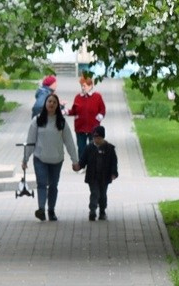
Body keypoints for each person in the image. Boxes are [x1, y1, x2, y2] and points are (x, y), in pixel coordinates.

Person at [23, 91, 80, 221]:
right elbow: (30, 141)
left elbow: (69, 142)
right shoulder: (37, 120)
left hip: (56, 159)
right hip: (40, 158)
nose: (52, 104)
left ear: (57, 105)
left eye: (54, 102)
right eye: (49, 101)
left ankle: (51, 210)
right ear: (45, 104)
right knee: (42, 183)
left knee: (53, 185)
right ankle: (41, 209)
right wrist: (25, 159)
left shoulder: (61, 122)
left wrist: (75, 160)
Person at [67, 72, 105, 164]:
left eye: (84, 86)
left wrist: (97, 119)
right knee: (81, 147)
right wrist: (65, 112)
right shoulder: (78, 97)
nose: (83, 88)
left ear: (91, 85)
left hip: (93, 127)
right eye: (81, 86)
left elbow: (102, 110)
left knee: (93, 146)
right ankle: (82, 164)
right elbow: (74, 111)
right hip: (80, 127)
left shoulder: (97, 97)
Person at [82, 124, 118, 220]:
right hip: (92, 176)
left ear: (103, 137)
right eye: (94, 137)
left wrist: (114, 173)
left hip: (104, 176)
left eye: (99, 138)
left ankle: (102, 211)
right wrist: (78, 166)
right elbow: (83, 160)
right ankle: (92, 210)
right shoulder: (89, 148)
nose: (96, 140)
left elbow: (114, 162)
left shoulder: (110, 148)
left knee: (102, 194)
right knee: (94, 193)